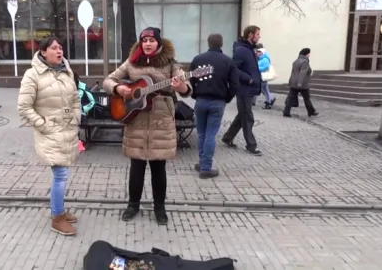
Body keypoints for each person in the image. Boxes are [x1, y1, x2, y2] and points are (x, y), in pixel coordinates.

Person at [103, 27, 192, 225]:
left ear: (159, 43)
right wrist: (118, 88)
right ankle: (132, 205)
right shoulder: (132, 62)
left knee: (159, 168)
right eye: (145, 41)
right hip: (136, 120)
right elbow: (108, 81)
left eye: (152, 40)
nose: (148, 44)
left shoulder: (171, 63)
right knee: (136, 167)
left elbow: (186, 90)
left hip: (161, 122)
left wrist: (181, 86)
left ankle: (159, 208)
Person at [17, 37, 81, 236]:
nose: (59, 50)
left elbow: (75, 99)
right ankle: (57, 218)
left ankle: (59, 209)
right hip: (50, 132)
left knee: (63, 173)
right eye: (54, 48)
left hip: (67, 130)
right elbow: (24, 108)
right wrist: (43, 126)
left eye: (61, 47)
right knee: (60, 174)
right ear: (43, 52)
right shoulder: (32, 75)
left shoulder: (66, 72)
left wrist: (76, 118)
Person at [190, 34, 239, 179]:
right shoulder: (228, 61)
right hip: (218, 101)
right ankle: (206, 167)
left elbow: (191, 80)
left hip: (201, 100)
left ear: (208, 43)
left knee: (201, 134)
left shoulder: (198, 59)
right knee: (211, 135)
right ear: (221, 44)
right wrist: (227, 98)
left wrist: (195, 94)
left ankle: (202, 163)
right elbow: (235, 84)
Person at [222, 25, 262, 156]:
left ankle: (228, 137)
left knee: (242, 115)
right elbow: (234, 68)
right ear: (250, 35)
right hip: (244, 89)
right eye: (257, 34)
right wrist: (248, 78)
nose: (259, 36)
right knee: (247, 116)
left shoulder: (250, 50)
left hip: (250, 89)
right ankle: (251, 145)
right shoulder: (241, 50)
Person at [283, 48, 319, 118]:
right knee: (306, 98)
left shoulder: (296, 61)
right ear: (306, 54)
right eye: (309, 54)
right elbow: (302, 73)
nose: (309, 55)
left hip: (293, 83)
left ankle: (286, 112)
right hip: (302, 84)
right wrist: (300, 82)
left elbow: (293, 72)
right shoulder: (305, 62)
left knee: (290, 98)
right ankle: (311, 111)